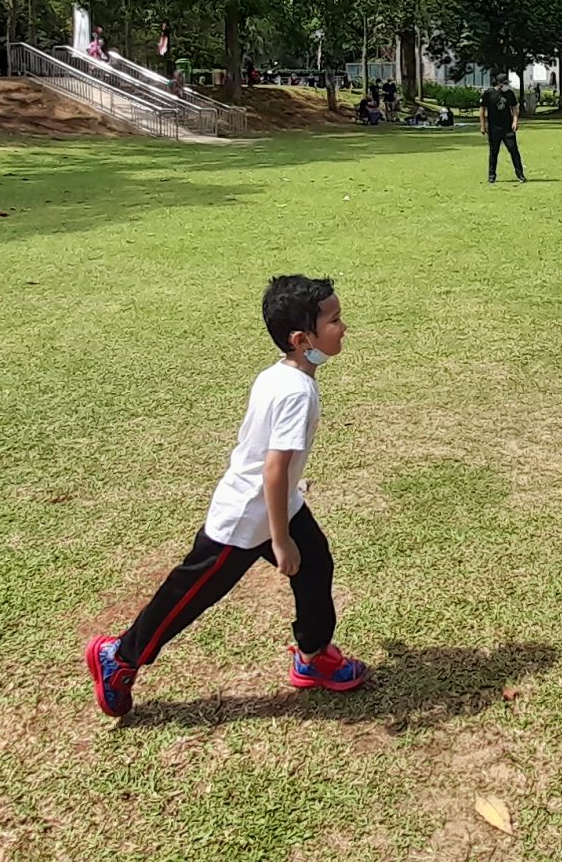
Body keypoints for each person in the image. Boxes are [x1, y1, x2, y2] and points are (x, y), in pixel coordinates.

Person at [88, 276, 367, 719]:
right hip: (247, 518)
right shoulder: (295, 391)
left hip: (278, 506)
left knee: (317, 566)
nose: (344, 327)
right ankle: (119, 658)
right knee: (189, 594)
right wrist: (280, 540)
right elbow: (274, 470)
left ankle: (313, 657)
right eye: (333, 321)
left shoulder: (282, 374)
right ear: (302, 339)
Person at [480, 75, 525, 182]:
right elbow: (482, 110)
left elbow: (514, 108)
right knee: (494, 152)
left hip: (508, 128)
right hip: (494, 127)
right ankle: (492, 176)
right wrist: (483, 125)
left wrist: (515, 121)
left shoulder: (509, 94)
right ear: (499, 83)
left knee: (514, 150)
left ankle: (520, 174)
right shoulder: (488, 93)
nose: (506, 85)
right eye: (504, 83)